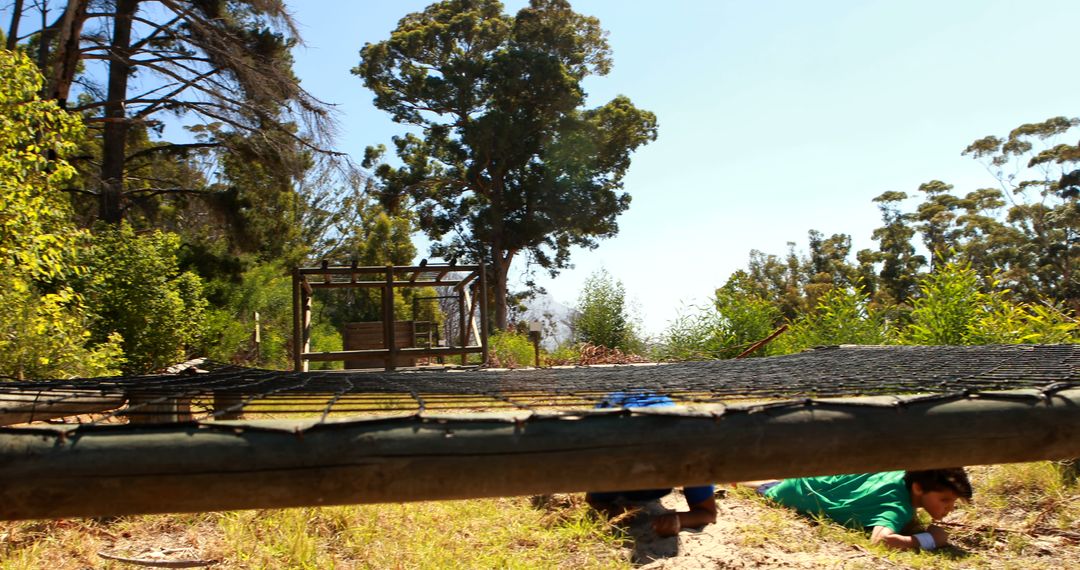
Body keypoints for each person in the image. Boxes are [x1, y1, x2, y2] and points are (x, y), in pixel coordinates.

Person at [584, 392, 718, 537]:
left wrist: (679, 520)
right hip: (616, 408)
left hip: (654, 404)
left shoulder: (687, 454)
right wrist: (615, 511)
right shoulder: (610, 455)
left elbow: (708, 513)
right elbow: (594, 501)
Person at [755, 468, 972, 551]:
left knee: (767, 481)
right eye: (944, 500)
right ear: (917, 488)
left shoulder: (901, 473)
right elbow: (881, 541)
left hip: (815, 478)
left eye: (953, 502)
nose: (949, 508)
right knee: (767, 486)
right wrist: (931, 540)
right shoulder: (898, 507)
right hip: (794, 496)